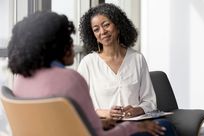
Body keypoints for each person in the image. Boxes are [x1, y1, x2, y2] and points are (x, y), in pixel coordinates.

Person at [7, 11, 168, 136]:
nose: (72, 44)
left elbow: (62, 121)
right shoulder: (70, 79)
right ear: (54, 45)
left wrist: (102, 122)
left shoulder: (20, 80)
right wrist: (135, 126)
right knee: (165, 127)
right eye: (67, 39)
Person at [78, 3, 177, 136]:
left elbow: (150, 101)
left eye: (106, 25)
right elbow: (80, 105)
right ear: (93, 34)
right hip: (106, 124)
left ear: (118, 26)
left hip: (135, 121)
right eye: (96, 29)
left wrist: (137, 110)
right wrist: (106, 113)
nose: (102, 32)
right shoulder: (87, 63)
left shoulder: (137, 59)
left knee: (165, 126)